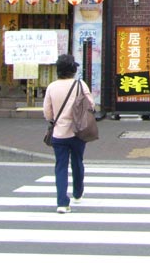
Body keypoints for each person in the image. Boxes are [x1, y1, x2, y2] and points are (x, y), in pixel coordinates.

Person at [42, 53, 94, 214]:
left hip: (59, 133)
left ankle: (62, 203)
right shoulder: (80, 85)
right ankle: (78, 192)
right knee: (77, 161)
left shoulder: (52, 87)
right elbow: (91, 105)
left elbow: (47, 113)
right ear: (73, 70)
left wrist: (55, 119)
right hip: (78, 131)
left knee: (61, 166)